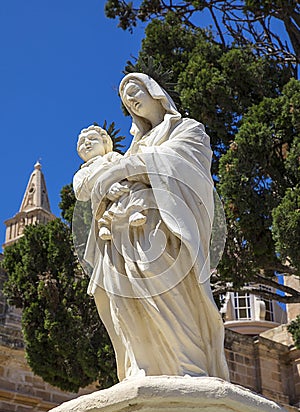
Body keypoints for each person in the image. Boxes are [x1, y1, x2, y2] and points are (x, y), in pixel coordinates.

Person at [82, 73, 229, 382]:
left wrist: (123, 169)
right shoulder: (135, 146)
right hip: (121, 234)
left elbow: (185, 164)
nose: (133, 101)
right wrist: (109, 183)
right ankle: (142, 367)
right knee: (126, 299)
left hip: (161, 230)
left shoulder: (188, 129)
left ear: (155, 93)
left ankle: (188, 365)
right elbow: (99, 185)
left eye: (136, 92)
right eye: (126, 100)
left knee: (167, 294)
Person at [73, 125, 150, 240]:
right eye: (82, 142)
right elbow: (81, 193)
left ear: (105, 143)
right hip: (101, 200)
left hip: (124, 186)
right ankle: (104, 224)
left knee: (137, 188)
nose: (87, 143)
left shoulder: (111, 156)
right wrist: (106, 184)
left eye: (92, 138)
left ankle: (135, 210)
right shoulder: (81, 173)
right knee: (103, 207)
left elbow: (125, 166)